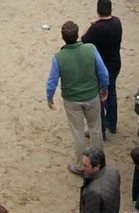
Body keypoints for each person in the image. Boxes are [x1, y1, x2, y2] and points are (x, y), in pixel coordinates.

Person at [47, 21, 111, 169]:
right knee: (95, 128)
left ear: (63, 37)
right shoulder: (90, 49)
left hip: (72, 100)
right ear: (77, 35)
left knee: (78, 132)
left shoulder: (59, 57)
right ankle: (98, 162)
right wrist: (104, 88)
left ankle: (81, 166)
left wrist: (49, 98)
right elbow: (103, 72)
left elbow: (52, 81)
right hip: (91, 96)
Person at [84, 0, 125, 136]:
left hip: (101, 66)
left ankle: (100, 129)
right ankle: (111, 124)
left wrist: (91, 25)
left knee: (99, 97)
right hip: (115, 63)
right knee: (111, 92)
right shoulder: (117, 22)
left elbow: (83, 40)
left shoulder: (96, 28)